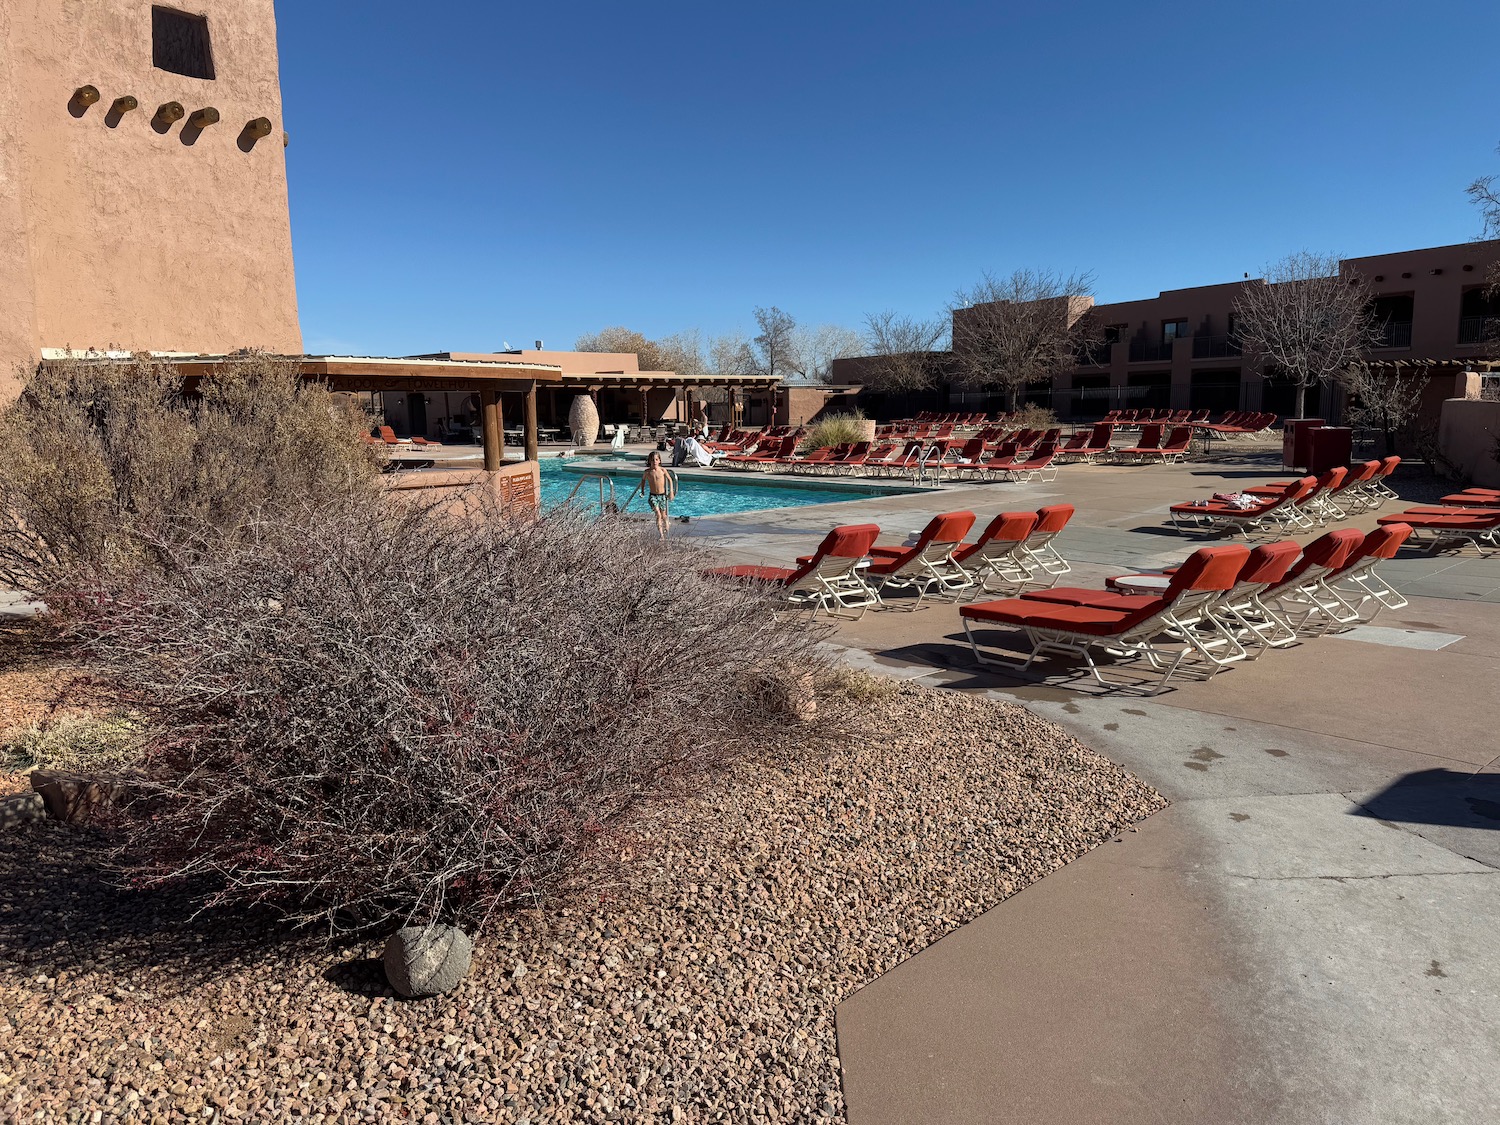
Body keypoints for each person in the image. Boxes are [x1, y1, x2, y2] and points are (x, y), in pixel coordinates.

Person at [629, 451, 676, 539]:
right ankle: (661, 535)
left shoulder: (662, 470)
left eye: (656, 459)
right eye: (652, 460)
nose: (654, 461)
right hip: (653, 496)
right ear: (649, 461)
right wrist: (642, 491)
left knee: (664, 515)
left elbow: (670, 479)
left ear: (659, 461)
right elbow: (643, 481)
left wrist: (671, 492)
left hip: (662, 496)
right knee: (658, 514)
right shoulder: (647, 472)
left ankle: (666, 530)